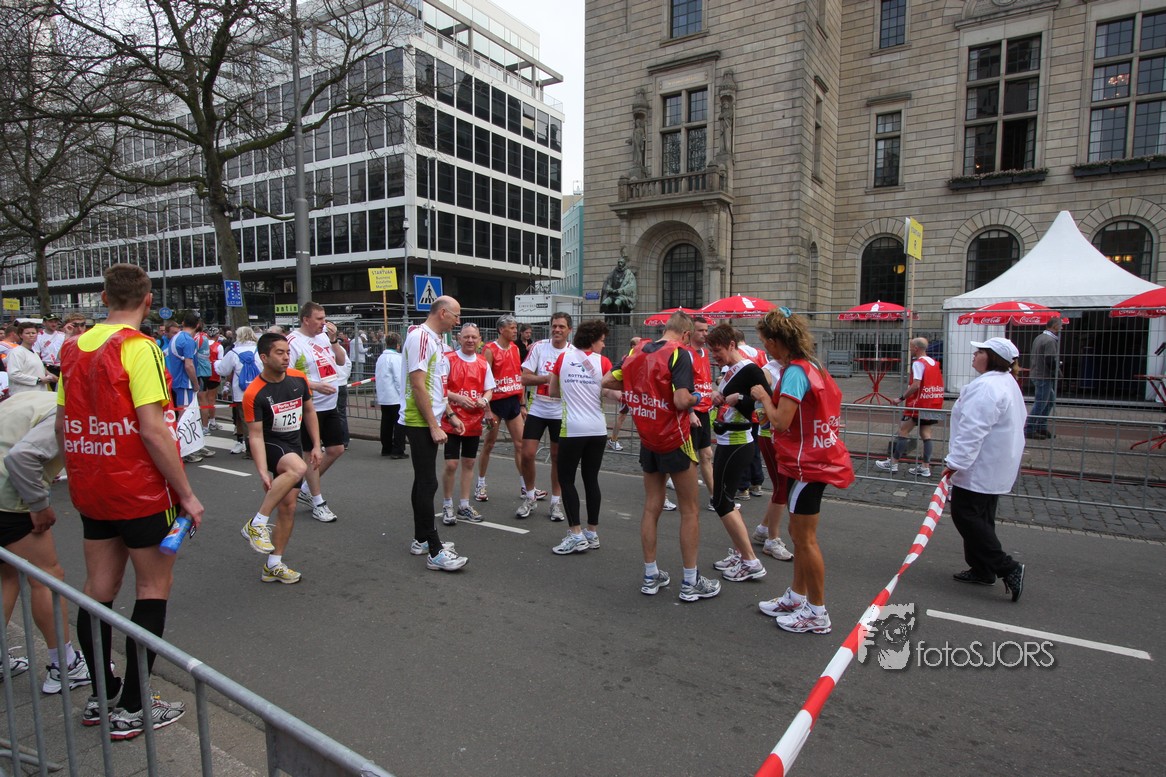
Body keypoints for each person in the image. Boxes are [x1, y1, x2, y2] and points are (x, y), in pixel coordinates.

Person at [56, 263, 205, 740]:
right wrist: (186, 494)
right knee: (152, 589)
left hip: (91, 486)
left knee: (98, 588)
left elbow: (62, 424)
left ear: (103, 298)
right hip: (140, 491)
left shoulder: (72, 348)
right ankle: (135, 706)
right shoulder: (140, 348)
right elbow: (154, 429)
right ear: (147, 301)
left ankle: (102, 696)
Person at [603, 311, 720, 602]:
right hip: (675, 438)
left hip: (648, 437)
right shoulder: (680, 353)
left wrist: (642, 389)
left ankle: (650, 574)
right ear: (686, 334)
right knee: (689, 510)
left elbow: (607, 380)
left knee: (651, 506)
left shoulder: (638, 350)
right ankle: (690, 581)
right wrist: (699, 397)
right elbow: (681, 400)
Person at [751, 308, 854, 635]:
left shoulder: (795, 372)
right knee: (798, 535)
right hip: (814, 458)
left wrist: (763, 397)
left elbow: (781, 421)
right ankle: (797, 597)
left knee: (805, 540)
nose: (764, 347)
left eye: (765, 341)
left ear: (776, 341)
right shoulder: (812, 366)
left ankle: (817, 612)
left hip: (808, 463)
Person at [0, 392, 90, 694]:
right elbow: (21, 457)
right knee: (47, 577)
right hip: (8, 497)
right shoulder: (71, 408)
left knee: (7, 575)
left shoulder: (37, 397)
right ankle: (64, 665)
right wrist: (38, 503)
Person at [943, 337, 1028, 601]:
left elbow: (973, 429)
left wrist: (955, 463)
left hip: (980, 465)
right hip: (994, 463)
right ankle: (982, 569)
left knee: (966, 515)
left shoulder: (987, 387)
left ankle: (1006, 566)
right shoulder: (1004, 382)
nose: (974, 355)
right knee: (982, 517)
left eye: (979, 351)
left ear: (991, 358)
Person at [240, 333, 322, 584]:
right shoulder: (254, 393)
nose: (286, 357)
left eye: (287, 352)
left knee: (288, 507)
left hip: (293, 443)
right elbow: (255, 435)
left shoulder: (298, 379)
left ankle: (273, 565)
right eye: (279, 353)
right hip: (270, 444)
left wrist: (316, 445)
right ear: (264, 357)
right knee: (298, 468)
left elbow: (309, 411)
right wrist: (262, 471)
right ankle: (257, 523)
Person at [400, 296, 467, 571]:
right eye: (456, 315)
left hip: (430, 417)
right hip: (418, 419)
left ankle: (421, 540)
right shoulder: (420, 337)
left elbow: (437, 384)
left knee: (423, 481)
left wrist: (449, 414)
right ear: (442, 313)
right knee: (428, 483)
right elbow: (417, 385)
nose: (458, 321)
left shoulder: (436, 340)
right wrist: (433, 424)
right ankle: (435, 550)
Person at [703, 324, 769, 583]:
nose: (714, 355)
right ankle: (741, 554)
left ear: (731, 345)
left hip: (739, 442)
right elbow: (729, 398)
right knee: (725, 500)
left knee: (722, 502)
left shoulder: (750, 369)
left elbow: (767, 401)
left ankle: (751, 561)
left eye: (717, 350)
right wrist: (717, 396)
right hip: (727, 440)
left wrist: (739, 398)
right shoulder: (730, 370)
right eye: (712, 351)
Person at [548, 319, 615, 555]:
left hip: (573, 429)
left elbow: (553, 391)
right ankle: (592, 533)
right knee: (591, 479)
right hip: (597, 430)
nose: (603, 345)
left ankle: (576, 534)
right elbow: (609, 392)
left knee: (566, 480)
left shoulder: (563, 358)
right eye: (602, 340)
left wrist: (572, 392)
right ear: (592, 340)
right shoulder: (603, 362)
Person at [286, 302, 347, 523]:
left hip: (330, 404)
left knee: (336, 449)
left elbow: (340, 361)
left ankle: (305, 488)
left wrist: (333, 340)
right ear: (306, 319)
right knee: (312, 454)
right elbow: (287, 375)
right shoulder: (293, 342)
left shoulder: (323, 337)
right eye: (319, 319)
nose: (324, 323)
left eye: (324, 318)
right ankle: (318, 502)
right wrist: (315, 386)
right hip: (309, 406)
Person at [517, 312, 572, 520]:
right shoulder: (540, 347)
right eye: (554, 326)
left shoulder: (573, 352)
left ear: (569, 330)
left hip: (560, 411)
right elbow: (524, 378)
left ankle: (556, 503)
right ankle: (530, 497)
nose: (557, 330)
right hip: (538, 408)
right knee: (527, 454)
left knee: (558, 458)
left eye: (561, 327)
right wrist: (548, 378)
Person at [441, 324, 494, 525]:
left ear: (479, 339)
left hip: (473, 420)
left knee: (469, 462)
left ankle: (464, 505)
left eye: (474, 337)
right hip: (451, 419)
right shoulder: (448, 359)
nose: (470, 340)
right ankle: (447, 504)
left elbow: (489, 389)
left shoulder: (482, 362)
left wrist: (485, 400)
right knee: (451, 464)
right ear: (458, 338)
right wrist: (458, 398)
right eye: (466, 337)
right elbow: (439, 388)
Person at [876, 337, 945, 476]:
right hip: (933, 402)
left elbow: (916, 385)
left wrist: (901, 398)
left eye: (911, 347)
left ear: (916, 348)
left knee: (903, 431)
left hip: (918, 404)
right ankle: (925, 466)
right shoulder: (934, 363)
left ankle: (893, 463)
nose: (909, 349)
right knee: (926, 434)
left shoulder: (918, 363)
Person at [475, 315, 525, 501]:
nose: (515, 331)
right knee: (489, 444)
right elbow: (483, 380)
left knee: (520, 444)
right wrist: (486, 409)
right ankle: (480, 484)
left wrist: (522, 403)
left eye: (515, 327)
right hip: (495, 403)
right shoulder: (490, 349)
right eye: (512, 328)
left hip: (512, 401)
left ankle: (525, 486)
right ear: (501, 330)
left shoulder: (515, 348)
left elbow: (518, 375)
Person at [751, 351, 794, 562]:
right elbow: (756, 395)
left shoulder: (794, 368)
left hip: (786, 436)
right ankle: (772, 539)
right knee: (782, 487)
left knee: (783, 486)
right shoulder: (769, 370)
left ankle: (763, 529)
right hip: (770, 435)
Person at [164, 313, 204, 463]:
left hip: (177, 380)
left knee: (184, 414)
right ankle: (183, 449)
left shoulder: (177, 337)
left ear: (183, 323)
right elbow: (189, 365)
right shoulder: (188, 341)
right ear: (197, 325)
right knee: (185, 416)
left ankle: (187, 447)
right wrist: (195, 383)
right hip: (185, 382)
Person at [215, 326, 260, 456]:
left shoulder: (233, 352)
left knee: (244, 418)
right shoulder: (259, 351)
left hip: (240, 391)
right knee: (258, 417)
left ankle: (249, 447)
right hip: (258, 389)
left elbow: (223, 370)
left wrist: (217, 363)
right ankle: (258, 444)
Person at [1025, 317, 1061, 439]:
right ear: (1055, 326)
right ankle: (1030, 428)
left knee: (1049, 400)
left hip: (1037, 373)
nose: (1061, 328)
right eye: (1060, 325)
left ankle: (1040, 426)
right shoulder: (1050, 341)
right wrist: (1056, 372)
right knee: (1041, 402)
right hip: (1043, 375)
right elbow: (1050, 360)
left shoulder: (1039, 337)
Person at [374, 331, 407, 458]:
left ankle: (386, 447)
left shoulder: (381, 358)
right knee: (399, 424)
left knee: (386, 423)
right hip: (395, 397)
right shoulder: (397, 358)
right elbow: (399, 378)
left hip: (384, 396)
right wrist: (403, 394)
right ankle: (398, 449)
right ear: (398, 345)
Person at [606, 336, 642, 452]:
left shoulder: (640, 356)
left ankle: (647, 442)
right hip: (629, 392)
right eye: (639, 343)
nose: (642, 345)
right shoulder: (627, 358)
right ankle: (613, 440)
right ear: (633, 346)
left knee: (641, 417)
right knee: (622, 416)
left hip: (638, 393)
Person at [6, 322, 57, 395]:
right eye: (27, 333)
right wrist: (38, 380)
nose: (31, 335)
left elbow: (37, 368)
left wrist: (50, 375)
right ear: (20, 335)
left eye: (33, 333)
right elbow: (13, 374)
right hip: (23, 394)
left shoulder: (34, 353)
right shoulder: (16, 352)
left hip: (38, 393)